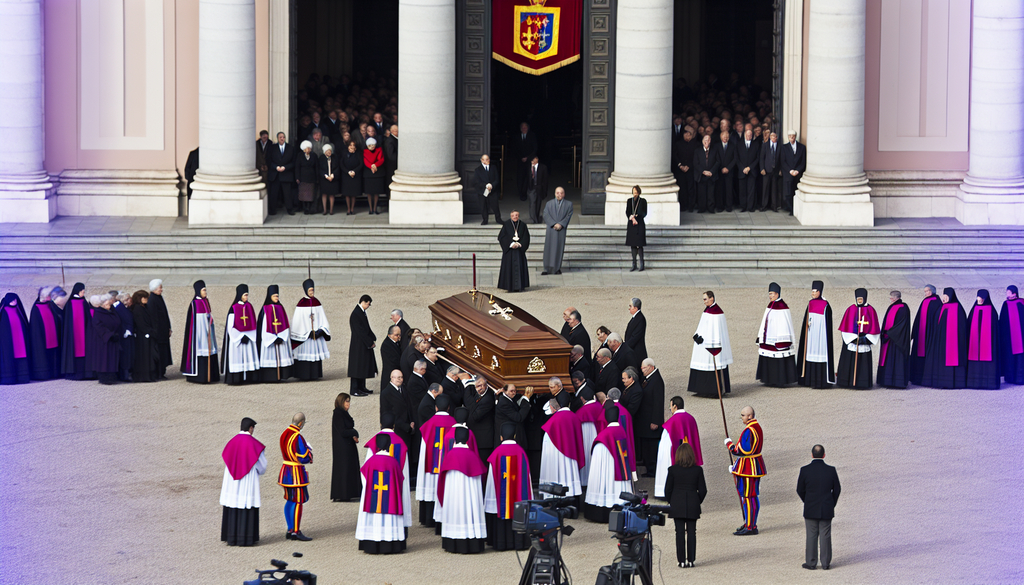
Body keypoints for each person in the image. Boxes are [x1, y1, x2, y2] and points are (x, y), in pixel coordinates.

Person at [437, 427, 488, 554]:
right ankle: (473, 541)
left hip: (454, 498)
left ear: (454, 439)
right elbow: (481, 481)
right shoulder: (473, 456)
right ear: (468, 439)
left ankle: (452, 543)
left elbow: (441, 481)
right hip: (470, 501)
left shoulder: (449, 456)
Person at [484, 422, 533, 551]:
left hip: (501, 500)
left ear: (501, 437)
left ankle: (501, 543)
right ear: (515, 436)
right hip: (518, 501)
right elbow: (527, 477)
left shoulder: (496, 453)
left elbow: (491, 480)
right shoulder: (521, 452)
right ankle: (520, 543)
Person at [220, 417, 267, 547]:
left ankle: (231, 538)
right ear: (251, 428)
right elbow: (262, 466)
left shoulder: (232, 442)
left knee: (233, 506)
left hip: (231, 482)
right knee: (246, 506)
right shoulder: (254, 444)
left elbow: (226, 457)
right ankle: (246, 539)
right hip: (248, 480)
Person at [356, 434, 406, 554]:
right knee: (389, 518)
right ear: (389, 445)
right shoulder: (394, 462)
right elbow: (400, 480)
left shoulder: (370, 461)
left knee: (374, 517)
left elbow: (364, 480)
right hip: (390, 499)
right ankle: (389, 545)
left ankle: (372, 545)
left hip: (373, 497)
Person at [584, 404, 634, 523]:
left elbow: (598, 462)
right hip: (620, 469)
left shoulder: (604, 436)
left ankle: (602, 511)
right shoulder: (621, 431)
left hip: (607, 468)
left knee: (605, 480)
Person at [363, 412, 413, 529]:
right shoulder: (400, 443)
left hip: (376, 486)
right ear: (394, 426)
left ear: (381, 424)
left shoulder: (374, 441)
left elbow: (366, 469)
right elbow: (404, 472)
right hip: (394, 485)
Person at [797, 445, 841, 571]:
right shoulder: (831, 470)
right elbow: (837, 489)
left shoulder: (805, 470)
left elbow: (800, 489)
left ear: (812, 455)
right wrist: (831, 503)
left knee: (811, 535)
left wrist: (807, 501)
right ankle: (826, 563)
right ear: (824, 455)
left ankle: (811, 562)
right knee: (825, 535)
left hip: (810, 507)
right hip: (826, 507)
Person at [416, 393, 456, 528]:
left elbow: (424, 448)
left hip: (430, 464)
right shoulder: (454, 424)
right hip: (446, 466)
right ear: (449, 407)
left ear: (436, 408)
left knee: (430, 485)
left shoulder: (428, 424)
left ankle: (428, 518)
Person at [664, 443, 707, 568]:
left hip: (677, 503)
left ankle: (681, 560)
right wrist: (696, 501)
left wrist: (672, 502)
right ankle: (691, 560)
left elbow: (667, 490)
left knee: (679, 533)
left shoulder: (672, 470)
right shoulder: (698, 470)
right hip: (692, 502)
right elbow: (703, 490)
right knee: (692, 532)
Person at [726, 406, 766, 536]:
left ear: (750, 416)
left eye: (743, 415)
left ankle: (750, 526)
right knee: (751, 496)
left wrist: (730, 445)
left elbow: (742, 451)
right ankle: (750, 522)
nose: (742, 417)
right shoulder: (756, 427)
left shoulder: (749, 430)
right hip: (752, 465)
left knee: (748, 497)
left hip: (748, 468)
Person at [539, 398, 586, 503]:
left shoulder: (553, 419)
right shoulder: (574, 416)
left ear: (552, 408)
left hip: (555, 453)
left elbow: (548, 441)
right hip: (571, 453)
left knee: (556, 472)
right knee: (569, 472)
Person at [655, 396, 702, 498]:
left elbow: (665, 446)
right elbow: (694, 439)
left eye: (670, 407)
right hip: (689, 456)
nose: (670, 409)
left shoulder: (671, 422)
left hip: (676, 458)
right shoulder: (691, 419)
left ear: (675, 406)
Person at [688, 290, 733, 397]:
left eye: (705, 299)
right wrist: (697, 335)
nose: (704, 301)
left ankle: (714, 391)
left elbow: (716, 331)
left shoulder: (717, 312)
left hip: (710, 345)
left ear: (711, 298)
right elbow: (703, 326)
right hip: (703, 344)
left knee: (713, 367)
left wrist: (711, 344)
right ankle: (702, 389)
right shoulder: (708, 310)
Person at [922, 288, 968, 388]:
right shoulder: (941, 307)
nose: (944, 298)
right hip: (940, 340)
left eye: (946, 296)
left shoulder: (958, 308)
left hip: (953, 342)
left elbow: (962, 326)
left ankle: (954, 382)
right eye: (943, 296)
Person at [278, 413, 313, 541]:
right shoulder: (297, 436)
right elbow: (303, 457)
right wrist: (309, 452)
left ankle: (290, 529)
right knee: (298, 501)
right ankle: (296, 531)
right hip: (296, 473)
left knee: (290, 500)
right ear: (300, 423)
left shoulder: (284, 433)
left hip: (286, 470)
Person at [836, 288, 881, 390]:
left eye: (861, 299)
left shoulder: (871, 310)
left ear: (865, 298)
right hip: (853, 341)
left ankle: (863, 383)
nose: (859, 301)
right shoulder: (851, 309)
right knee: (850, 362)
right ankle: (847, 382)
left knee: (863, 363)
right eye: (858, 299)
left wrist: (865, 339)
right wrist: (853, 338)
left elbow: (874, 328)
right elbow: (845, 327)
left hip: (864, 341)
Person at [756, 282, 797, 387]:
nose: (770, 296)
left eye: (772, 294)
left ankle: (780, 380)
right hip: (769, 339)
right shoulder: (770, 305)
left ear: (777, 294)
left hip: (778, 339)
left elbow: (784, 324)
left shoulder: (782, 307)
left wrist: (781, 340)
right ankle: (769, 379)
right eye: (769, 294)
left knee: (779, 359)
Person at [796, 281, 835, 389]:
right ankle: (808, 380)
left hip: (821, 335)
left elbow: (828, 323)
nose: (813, 293)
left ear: (820, 292)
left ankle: (821, 381)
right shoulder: (810, 303)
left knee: (821, 353)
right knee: (809, 352)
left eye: (815, 291)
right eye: (812, 291)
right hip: (811, 333)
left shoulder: (826, 305)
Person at [291, 279, 331, 381]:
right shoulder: (301, 303)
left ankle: (315, 374)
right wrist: (306, 333)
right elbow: (297, 322)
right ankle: (303, 375)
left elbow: (323, 319)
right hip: (305, 337)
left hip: (315, 336)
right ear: (306, 290)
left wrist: (320, 331)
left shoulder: (317, 302)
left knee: (315, 356)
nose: (312, 292)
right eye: (310, 290)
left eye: (313, 290)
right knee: (304, 356)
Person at [220, 284, 259, 385]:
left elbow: (253, 323)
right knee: (237, 357)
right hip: (237, 339)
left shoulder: (249, 306)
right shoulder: (234, 308)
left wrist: (248, 336)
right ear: (240, 295)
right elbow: (230, 326)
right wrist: (240, 337)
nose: (246, 297)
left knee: (249, 356)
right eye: (245, 295)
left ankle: (249, 378)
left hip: (248, 337)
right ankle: (237, 379)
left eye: (247, 295)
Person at [181, 281, 218, 384]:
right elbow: (193, 322)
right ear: (198, 291)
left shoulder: (206, 301)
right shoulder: (195, 304)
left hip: (208, 331)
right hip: (199, 334)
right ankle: (200, 377)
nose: (205, 292)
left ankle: (211, 376)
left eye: (205, 290)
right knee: (201, 351)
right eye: (203, 290)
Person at [966, 290, 1000, 389]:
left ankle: (990, 383)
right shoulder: (974, 309)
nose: (980, 300)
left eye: (982, 299)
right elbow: (968, 325)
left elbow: (995, 329)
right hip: (974, 342)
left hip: (988, 344)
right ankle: (973, 383)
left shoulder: (991, 311)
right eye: (978, 298)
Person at [636, 359, 665, 477]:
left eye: (644, 368)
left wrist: (655, 421)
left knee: (652, 447)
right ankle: (647, 464)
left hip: (651, 420)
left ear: (651, 367)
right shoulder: (649, 378)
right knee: (646, 445)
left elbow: (658, 403)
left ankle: (652, 469)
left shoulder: (656, 381)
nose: (642, 370)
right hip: (645, 419)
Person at [877, 291, 912, 389]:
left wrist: (890, 333)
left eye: (891, 298)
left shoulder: (903, 307)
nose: (890, 299)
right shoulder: (891, 307)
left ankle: (897, 382)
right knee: (887, 359)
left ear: (895, 298)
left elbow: (902, 324)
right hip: (888, 339)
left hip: (897, 340)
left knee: (896, 360)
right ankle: (885, 381)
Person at [331, 393, 361, 502]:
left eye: (349, 401)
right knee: (345, 469)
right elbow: (343, 431)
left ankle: (351, 492)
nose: (348, 404)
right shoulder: (338, 414)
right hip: (343, 447)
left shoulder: (343, 413)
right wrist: (354, 432)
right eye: (346, 401)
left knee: (350, 469)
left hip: (347, 445)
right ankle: (344, 494)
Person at [910, 285, 942, 385]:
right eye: (925, 291)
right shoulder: (925, 301)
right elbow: (919, 317)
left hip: (930, 335)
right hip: (921, 334)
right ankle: (917, 377)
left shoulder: (936, 302)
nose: (926, 293)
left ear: (932, 291)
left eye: (927, 291)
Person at [28, 287, 62, 381]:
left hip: (53, 336)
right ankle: (44, 375)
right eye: (48, 296)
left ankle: (55, 373)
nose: (50, 297)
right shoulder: (36, 308)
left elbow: (59, 315)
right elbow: (35, 327)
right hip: (42, 338)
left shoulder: (50, 305)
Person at [60, 283, 92, 380]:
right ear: (78, 291)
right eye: (82, 291)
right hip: (73, 333)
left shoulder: (83, 302)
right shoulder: (70, 304)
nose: (83, 293)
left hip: (84, 331)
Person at [348, 294, 377, 396]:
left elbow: (366, 328)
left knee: (362, 366)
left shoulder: (360, 312)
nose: (368, 306)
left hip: (362, 345)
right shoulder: (356, 314)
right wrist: (369, 342)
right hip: (358, 345)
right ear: (363, 302)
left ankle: (361, 387)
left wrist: (372, 337)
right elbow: (360, 331)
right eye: (368, 304)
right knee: (357, 367)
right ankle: (355, 389)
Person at [89, 294, 121, 385]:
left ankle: (113, 377)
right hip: (103, 340)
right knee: (104, 360)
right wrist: (110, 335)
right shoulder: (98, 313)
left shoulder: (112, 311)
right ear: (102, 305)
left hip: (113, 338)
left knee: (112, 359)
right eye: (106, 304)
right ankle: (105, 378)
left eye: (109, 304)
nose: (108, 306)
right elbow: (99, 326)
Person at [0, 293, 31, 385]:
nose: (14, 301)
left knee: (21, 354)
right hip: (8, 340)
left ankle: (23, 377)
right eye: (12, 300)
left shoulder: (19, 310)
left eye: (15, 299)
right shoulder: (3, 311)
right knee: (9, 355)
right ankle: (9, 378)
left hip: (20, 338)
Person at [497, 210, 530, 293]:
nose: (515, 217)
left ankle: (520, 286)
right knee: (509, 269)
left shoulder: (523, 225)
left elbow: (526, 237)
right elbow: (501, 237)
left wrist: (519, 244)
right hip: (510, 252)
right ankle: (509, 286)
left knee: (520, 267)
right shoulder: (506, 224)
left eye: (516, 215)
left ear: (518, 216)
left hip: (519, 251)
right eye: (513, 215)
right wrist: (511, 244)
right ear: (511, 216)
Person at [130, 290, 160, 383]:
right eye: (144, 298)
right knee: (144, 356)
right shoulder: (138, 309)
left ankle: (150, 374)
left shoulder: (144, 307)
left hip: (147, 334)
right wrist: (151, 331)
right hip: (142, 336)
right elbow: (141, 324)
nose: (146, 299)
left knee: (149, 356)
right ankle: (144, 376)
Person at [541, 186, 572, 275]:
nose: (559, 195)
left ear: (564, 194)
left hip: (561, 229)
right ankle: (546, 268)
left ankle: (557, 268)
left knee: (559, 248)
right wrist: (553, 224)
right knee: (548, 247)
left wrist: (561, 224)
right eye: (557, 193)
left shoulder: (569, 204)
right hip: (551, 228)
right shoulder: (549, 204)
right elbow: (546, 214)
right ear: (555, 194)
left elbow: (568, 215)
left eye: (561, 193)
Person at [465, 376, 496, 464]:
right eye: (478, 386)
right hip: (478, 439)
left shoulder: (487, 399)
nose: (480, 388)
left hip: (484, 440)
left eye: (482, 385)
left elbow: (475, 416)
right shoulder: (478, 395)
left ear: (486, 385)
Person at [494, 383, 533, 450]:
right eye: (511, 391)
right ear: (505, 391)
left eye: (515, 391)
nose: (514, 393)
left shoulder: (509, 398)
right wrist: (526, 398)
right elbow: (519, 417)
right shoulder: (503, 403)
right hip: (508, 439)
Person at [266, 132, 297, 215]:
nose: (282, 138)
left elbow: (293, 162)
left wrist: (285, 167)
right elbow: (269, 160)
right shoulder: (272, 148)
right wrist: (275, 167)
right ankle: (272, 209)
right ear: (277, 138)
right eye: (280, 137)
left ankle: (289, 209)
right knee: (274, 193)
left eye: (283, 137)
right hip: (275, 175)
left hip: (286, 174)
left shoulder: (290, 148)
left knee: (287, 193)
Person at [148, 279, 173, 378]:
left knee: (164, 352)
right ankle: (158, 372)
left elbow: (165, 314)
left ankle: (162, 371)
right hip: (158, 332)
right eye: (160, 288)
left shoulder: (158, 297)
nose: (161, 289)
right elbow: (153, 318)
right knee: (159, 352)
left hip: (163, 330)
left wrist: (168, 327)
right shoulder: (152, 300)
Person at [999, 285, 1024, 384]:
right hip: (1009, 336)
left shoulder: (1021, 303)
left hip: (1021, 336)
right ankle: (1010, 378)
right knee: (1010, 356)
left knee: (1020, 357)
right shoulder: (1006, 304)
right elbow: (1002, 320)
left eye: (1008, 292)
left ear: (1014, 293)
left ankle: (1020, 378)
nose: (1007, 294)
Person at [780, 130, 806, 214]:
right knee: (788, 192)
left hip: (798, 174)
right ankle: (791, 209)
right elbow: (783, 161)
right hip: (788, 174)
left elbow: (803, 162)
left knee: (796, 191)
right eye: (790, 136)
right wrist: (790, 170)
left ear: (795, 136)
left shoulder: (802, 147)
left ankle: (797, 209)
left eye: (793, 136)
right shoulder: (784, 147)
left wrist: (797, 170)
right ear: (788, 137)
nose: (792, 137)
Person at [110, 291, 134, 382]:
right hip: (124, 335)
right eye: (128, 298)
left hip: (128, 334)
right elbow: (119, 321)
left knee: (128, 355)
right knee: (125, 356)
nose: (130, 300)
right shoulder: (119, 308)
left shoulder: (126, 308)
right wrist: (126, 330)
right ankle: (125, 375)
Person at [673, 128, 698, 212]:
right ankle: (683, 205)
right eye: (686, 134)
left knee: (691, 188)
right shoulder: (678, 144)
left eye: (689, 134)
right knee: (682, 188)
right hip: (680, 170)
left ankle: (691, 206)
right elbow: (675, 155)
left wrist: (689, 166)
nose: (687, 136)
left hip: (691, 170)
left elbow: (696, 157)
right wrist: (680, 165)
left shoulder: (696, 144)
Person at [473, 153, 502, 225]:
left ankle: (498, 219)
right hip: (482, 191)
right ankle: (485, 219)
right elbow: (476, 182)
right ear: (481, 160)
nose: (485, 161)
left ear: (489, 160)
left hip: (492, 190)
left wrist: (491, 185)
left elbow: (497, 179)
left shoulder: (493, 168)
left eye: (487, 159)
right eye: (484, 160)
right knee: (483, 206)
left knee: (495, 205)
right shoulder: (478, 170)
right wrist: (485, 185)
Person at [693, 134, 719, 213]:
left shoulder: (714, 150)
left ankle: (711, 208)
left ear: (710, 141)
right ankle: (702, 208)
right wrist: (703, 171)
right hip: (701, 175)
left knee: (711, 193)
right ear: (702, 141)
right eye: (705, 140)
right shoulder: (697, 151)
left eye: (708, 140)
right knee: (701, 193)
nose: (706, 141)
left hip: (711, 175)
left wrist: (711, 171)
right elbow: (695, 163)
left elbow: (718, 162)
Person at [737, 129, 761, 211]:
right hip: (742, 171)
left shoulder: (756, 144)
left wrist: (749, 167)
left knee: (751, 190)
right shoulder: (739, 144)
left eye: (750, 135)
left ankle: (750, 207)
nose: (748, 136)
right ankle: (743, 206)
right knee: (742, 190)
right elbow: (737, 158)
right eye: (747, 135)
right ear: (744, 135)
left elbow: (757, 158)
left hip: (752, 171)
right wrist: (743, 168)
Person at [715, 130, 738, 212]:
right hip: (719, 171)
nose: (726, 138)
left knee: (729, 189)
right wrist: (721, 168)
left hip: (729, 171)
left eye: (727, 137)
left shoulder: (733, 145)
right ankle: (720, 206)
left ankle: (729, 206)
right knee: (719, 189)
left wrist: (728, 168)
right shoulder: (717, 146)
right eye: (724, 136)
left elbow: (735, 158)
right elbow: (716, 157)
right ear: (721, 136)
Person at [625, 185, 647, 271]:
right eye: (633, 191)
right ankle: (634, 264)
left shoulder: (643, 201)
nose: (634, 193)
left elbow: (644, 212)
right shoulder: (629, 201)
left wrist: (637, 217)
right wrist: (632, 218)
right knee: (633, 245)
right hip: (632, 225)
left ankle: (641, 263)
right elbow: (627, 211)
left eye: (636, 191)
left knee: (640, 244)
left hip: (640, 224)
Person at [515, 122, 538, 201]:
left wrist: (528, 158)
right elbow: (515, 148)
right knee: (520, 177)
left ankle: (525, 193)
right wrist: (520, 157)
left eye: (525, 127)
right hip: (520, 161)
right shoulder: (517, 136)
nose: (524, 129)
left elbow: (535, 148)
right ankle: (520, 192)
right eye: (522, 127)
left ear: (528, 128)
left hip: (529, 161)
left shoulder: (532, 136)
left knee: (528, 177)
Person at [363, 137, 385, 215]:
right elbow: (365, 161)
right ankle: (370, 208)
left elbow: (381, 159)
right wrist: (372, 166)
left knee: (376, 192)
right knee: (369, 192)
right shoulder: (364, 152)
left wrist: (375, 165)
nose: (372, 146)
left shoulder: (379, 150)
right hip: (368, 175)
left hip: (377, 174)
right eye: (370, 145)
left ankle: (375, 208)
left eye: (373, 145)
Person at [759, 131, 781, 211]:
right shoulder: (765, 145)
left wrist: (780, 169)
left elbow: (781, 158)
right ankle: (764, 205)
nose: (773, 138)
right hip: (766, 170)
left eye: (775, 136)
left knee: (774, 189)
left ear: (776, 137)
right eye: (772, 136)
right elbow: (762, 158)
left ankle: (774, 206)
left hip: (775, 170)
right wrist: (762, 168)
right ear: (770, 137)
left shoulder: (779, 146)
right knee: (765, 189)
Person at [296, 140, 319, 215]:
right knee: (303, 194)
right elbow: (297, 167)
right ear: (303, 149)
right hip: (303, 178)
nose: (308, 150)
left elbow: (316, 167)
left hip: (311, 178)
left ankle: (310, 208)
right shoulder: (300, 156)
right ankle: (305, 208)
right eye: (307, 148)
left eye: (309, 148)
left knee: (310, 194)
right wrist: (297, 177)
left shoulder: (314, 155)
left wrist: (317, 178)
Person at [341, 141, 363, 215]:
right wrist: (348, 172)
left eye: (353, 145)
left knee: (353, 193)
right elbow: (341, 164)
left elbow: (361, 164)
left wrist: (354, 171)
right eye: (350, 145)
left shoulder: (358, 154)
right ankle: (348, 209)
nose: (352, 147)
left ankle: (352, 209)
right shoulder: (344, 154)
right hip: (346, 176)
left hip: (355, 175)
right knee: (347, 193)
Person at [379, 325, 403, 393]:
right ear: (389, 335)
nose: (398, 337)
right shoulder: (386, 345)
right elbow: (393, 361)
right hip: (390, 373)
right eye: (396, 335)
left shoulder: (396, 342)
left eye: (399, 335)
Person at [624, 298, 648, 362]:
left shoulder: (640, 319)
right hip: (633, 351)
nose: (629, 308)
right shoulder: (636, 318)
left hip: (637, 353)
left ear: (635, 308)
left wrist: (625, 348)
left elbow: (635, 337)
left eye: (630, 306)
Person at [526, 156, 549, 224]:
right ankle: (533, 219)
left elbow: (545, 180)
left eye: (533, 159)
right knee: (532, 203)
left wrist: (545, 191)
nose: (532, 161)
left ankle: (537, 217)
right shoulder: (528, 167)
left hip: (539, 188)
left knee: (538, 204)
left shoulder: (543, 167)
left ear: (537, 159)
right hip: (531, 188)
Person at [318, 143, 338, 215]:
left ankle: (331, 210)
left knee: (332, 194)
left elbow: (337, 167)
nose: (329, 152)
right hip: (324, 179)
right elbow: (319, 168)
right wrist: (326, 176)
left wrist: (332, 175)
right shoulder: (321, 158)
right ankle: (325, 210)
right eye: (327, 151)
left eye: (330, 151)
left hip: (332, 178)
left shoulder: (335, 157)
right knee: (324, 194)